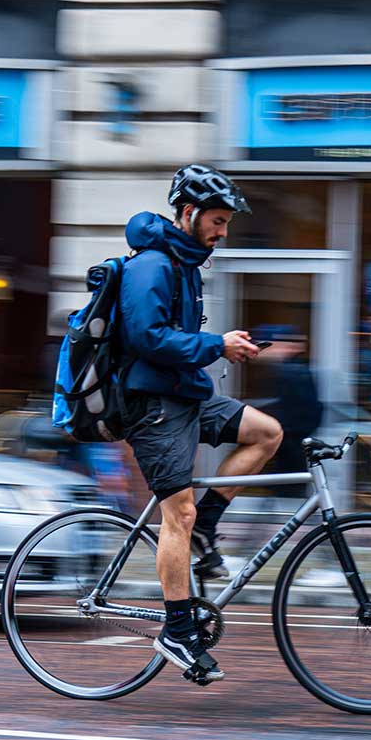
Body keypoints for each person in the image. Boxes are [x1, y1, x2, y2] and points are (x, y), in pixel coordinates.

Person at [117, 164, 283, 685]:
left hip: (186, 396)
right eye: (216, 220)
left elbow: (176, 342)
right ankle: (178, 629)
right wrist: (217, 345)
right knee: (177, 515)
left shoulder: (187, 264)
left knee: (267, 433)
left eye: (226, 222)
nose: (222, 231)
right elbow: (147, 338)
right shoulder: (152, 266)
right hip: (151, 406)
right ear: (188, 213)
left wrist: (225, 342)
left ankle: (208, 530)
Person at [251, 325, 324, 496]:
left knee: (288, 490)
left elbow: (300, 412)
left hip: (290, 446)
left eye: (264, 346)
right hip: (290, 445)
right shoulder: (287, 371)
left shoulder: (291, 373)